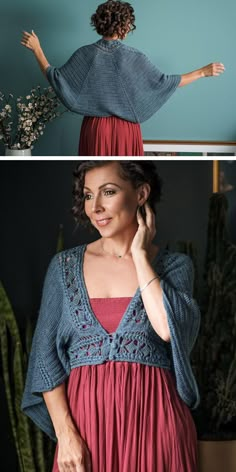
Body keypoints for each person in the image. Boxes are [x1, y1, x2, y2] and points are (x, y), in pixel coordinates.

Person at [22, 160, 201, 472]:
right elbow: (44, 358)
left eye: (108, 192)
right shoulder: (64, 268)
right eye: (89, 196)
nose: (96, 208)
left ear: (141, 193)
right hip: (85, 433)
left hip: (157, 426)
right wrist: (65, 436)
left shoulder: (174, 266)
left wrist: (142, 257)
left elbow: (168, 329)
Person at [20, 1, 225, 156]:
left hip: (95, 130)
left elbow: (57, 79)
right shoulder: (134, 57)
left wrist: (38, 50)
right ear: (124, 26)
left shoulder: (85, 54)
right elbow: (165, 83)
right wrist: (201, 72)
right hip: (126, 130)